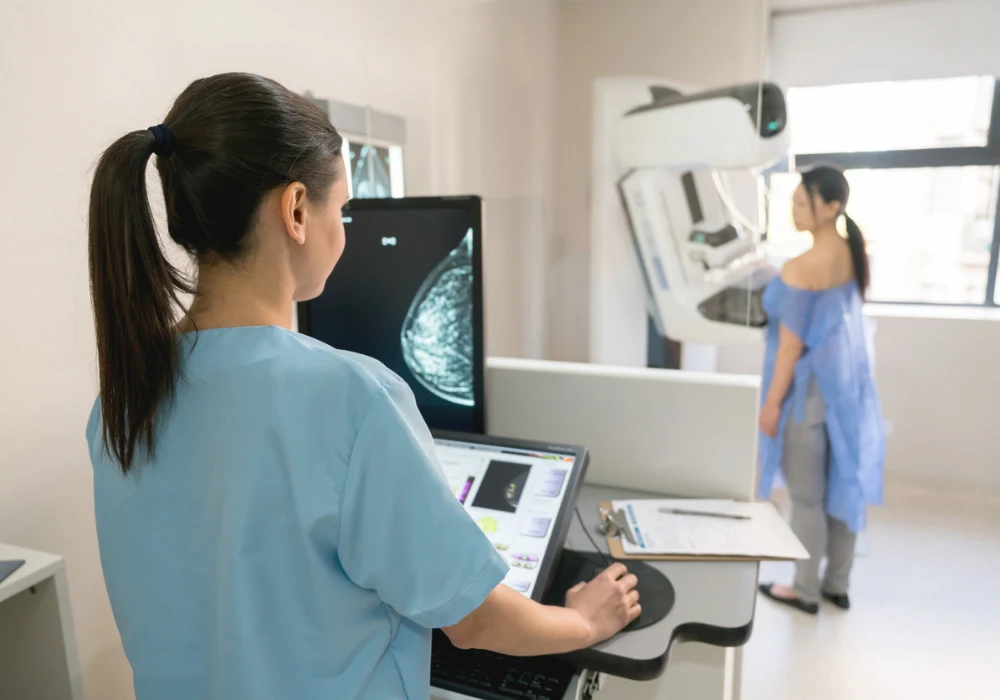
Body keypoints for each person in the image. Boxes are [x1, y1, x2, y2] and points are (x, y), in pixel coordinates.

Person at [85, 73, 640, 700]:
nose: (344, 230)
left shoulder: (121, 403)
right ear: (296, 210)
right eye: (341, 209)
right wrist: (584, 619)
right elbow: (475, 620)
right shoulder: (351, 398)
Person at [756, 165, 884, 615]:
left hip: (806, 397)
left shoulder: (800, 266)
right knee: (842, 485)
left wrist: (771, 404)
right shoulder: (853, 252)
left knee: (807, 498)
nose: (793, 209)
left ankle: (805, 590)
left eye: (802, 202)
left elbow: (790, 348)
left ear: (831, 207)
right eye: (792, 201)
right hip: (845, 391)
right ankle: (836, 584)